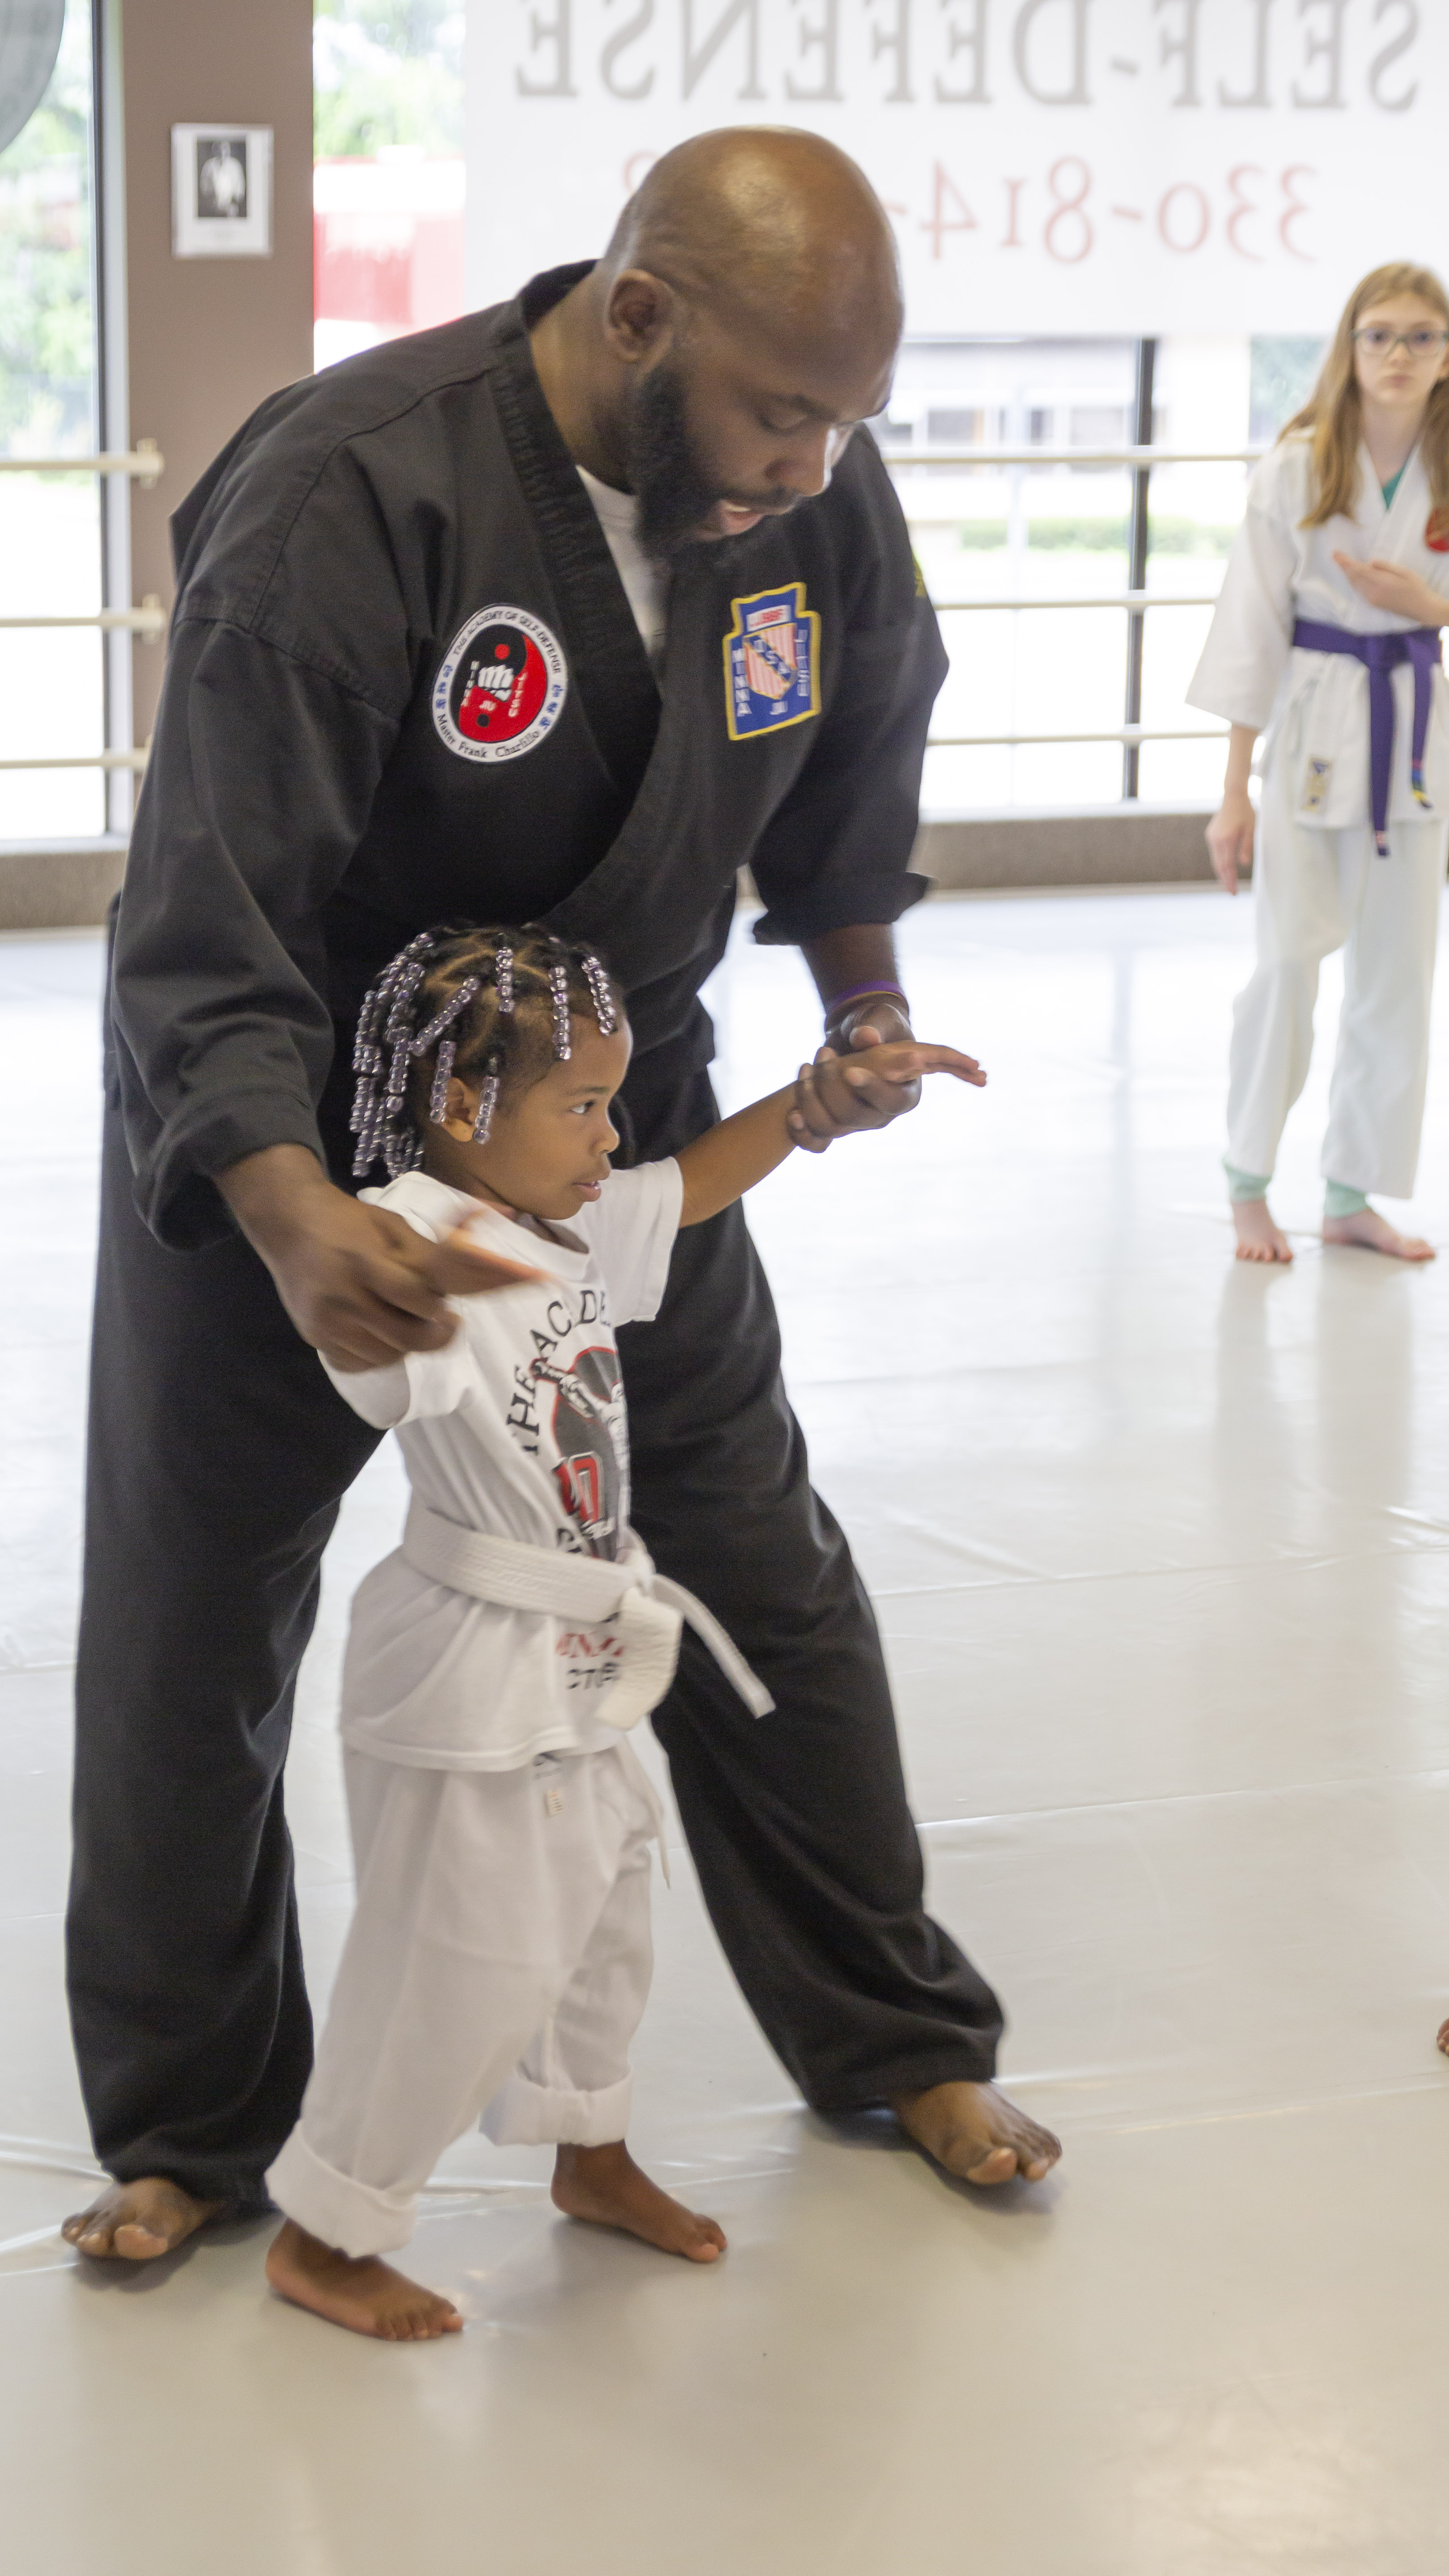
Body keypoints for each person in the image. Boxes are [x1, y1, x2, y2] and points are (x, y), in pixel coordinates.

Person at [64, 127, 1061, 2273]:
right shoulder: (356, 489)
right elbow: (204, 902)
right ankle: (188, 2128)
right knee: (195, 1615)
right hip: (300, 1109)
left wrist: (864, 1012)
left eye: (848, 419)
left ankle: (895, 2031)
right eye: (783, 410)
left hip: (610, 1097)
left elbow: (853, 767)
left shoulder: (808, 498)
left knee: (758, 1562)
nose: (815, 463)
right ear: (637, 316)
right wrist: (285, 1210)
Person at [263, 919, 987, 2340]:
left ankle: (586, 2149)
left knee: (602, 1919)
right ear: (462, 1102)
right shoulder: (411, 1230)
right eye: (584, 1104)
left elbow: (692, 1184)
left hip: (585, 1647)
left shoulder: (560, 1221)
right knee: (459, 1957)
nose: (612, 1133)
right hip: (473, 1662)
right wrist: (406, 1295)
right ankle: (330, 2229)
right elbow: (364, 1345)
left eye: (613, 1101)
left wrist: (812, 1106)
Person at [1189, 263, 1449, 1266]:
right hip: (1313, 733)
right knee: (1289, 965)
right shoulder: (1298, 465)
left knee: (1397, 975)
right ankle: (1248, 1181)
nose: (1399, 354)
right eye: (1379, 334)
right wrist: (1232, 795)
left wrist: (1431, 608)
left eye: (1422, 336)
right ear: (1350, 346)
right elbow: (1249, 632)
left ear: (1446, 355)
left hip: (1415, 741)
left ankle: (1350, 1194)